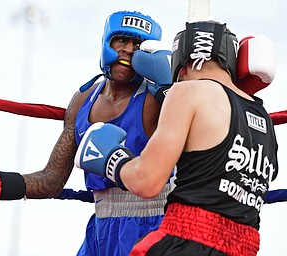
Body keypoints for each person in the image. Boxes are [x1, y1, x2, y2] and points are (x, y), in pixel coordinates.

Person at [0, 10, 174, 256]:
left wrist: (171, 90)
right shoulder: (83, 99)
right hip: (101, 228)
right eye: (122, 40)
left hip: (155, 225)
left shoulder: (157, 98)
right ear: (106, 42)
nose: (129, 49)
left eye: (138, 45)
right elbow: (52, 179)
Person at [75, 21, 279, 255]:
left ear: (181, 58)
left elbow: (146, 181)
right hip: (244, 247)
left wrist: (111, 158)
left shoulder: (187, 92)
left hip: (184, 240)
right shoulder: (262, 117)